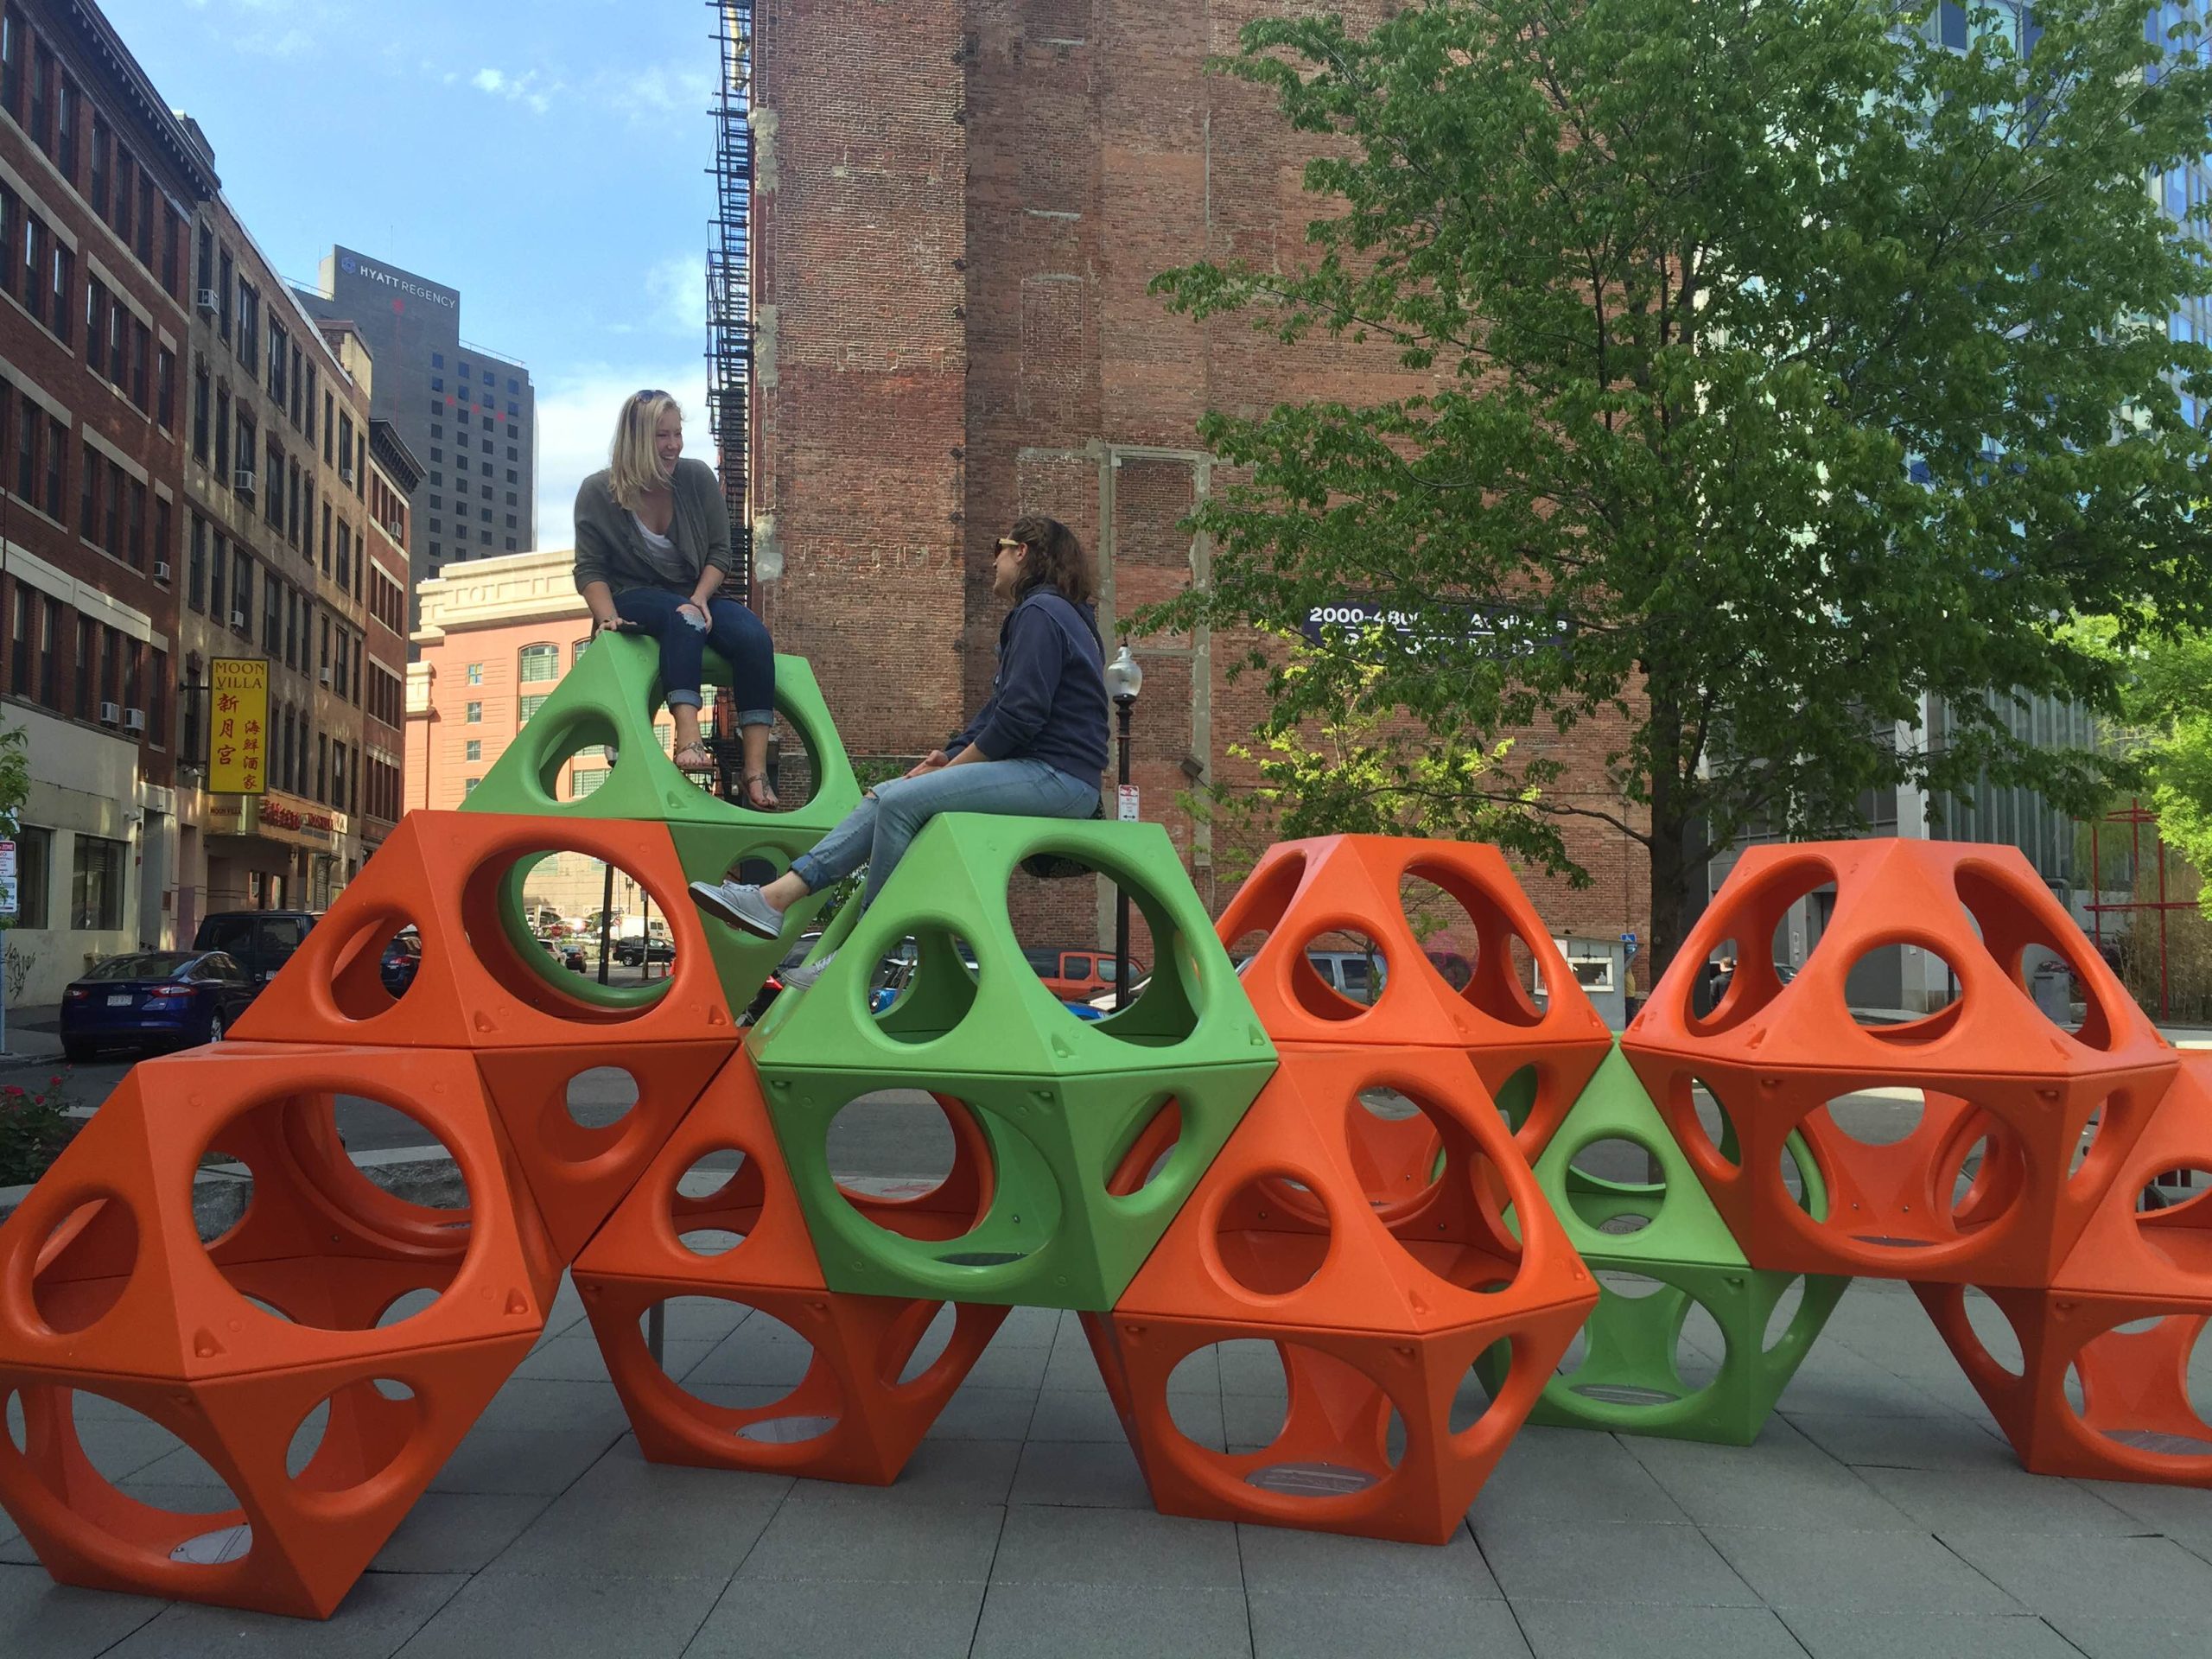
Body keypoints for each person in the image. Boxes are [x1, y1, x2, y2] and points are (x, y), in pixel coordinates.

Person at [691, 514, 1109, 989]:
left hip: (1058, 778)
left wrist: (945, 773)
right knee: (886, 796)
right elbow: (996, 714)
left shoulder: (1040, 613)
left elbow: (1019, 718)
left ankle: (865, 953)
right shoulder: (1058, 615)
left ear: (1024, 552)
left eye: (1001, 546)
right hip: (1048, 774)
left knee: (903, 801)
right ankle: (774, 899)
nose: (992, 559)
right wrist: (943, 762)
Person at [572, 391, 779, 808]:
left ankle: (755, 772)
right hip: (631, 597)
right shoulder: (598, 491)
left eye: (677, 434)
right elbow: (589, 569)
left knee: (754, 637)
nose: (673, 445)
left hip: (695, 591)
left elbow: (721, 551)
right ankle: (688, 738)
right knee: (681, 618)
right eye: (660, 436)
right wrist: (607, 618)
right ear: (635, 441)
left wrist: (702, 598)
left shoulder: (696, 478)